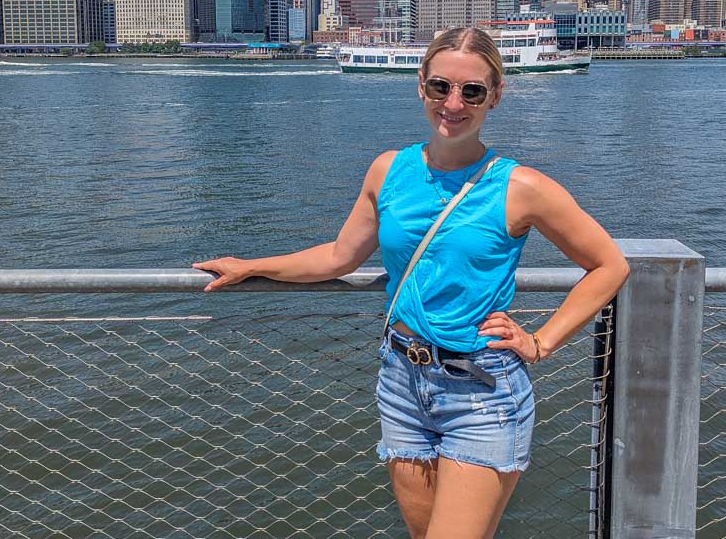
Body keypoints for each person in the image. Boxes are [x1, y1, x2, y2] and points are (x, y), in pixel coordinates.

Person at [193, 27, 629, 538]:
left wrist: (541, 341)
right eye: (441, 86)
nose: (454, 103)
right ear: (420, 85)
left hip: (480, 390)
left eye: (472, 91)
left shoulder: (522, 188)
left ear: (495, 96)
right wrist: (253, 266)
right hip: (401, 380)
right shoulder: (388, 170)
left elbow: (609, 265)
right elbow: (339, 257)